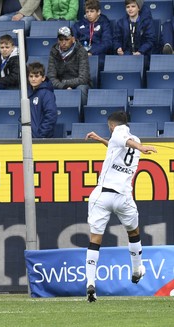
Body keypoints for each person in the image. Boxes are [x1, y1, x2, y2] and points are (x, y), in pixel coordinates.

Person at [83, 111, 157, 302]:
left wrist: (141, 147)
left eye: (108, 128)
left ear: (112, 126)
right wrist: (101, 140)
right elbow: (119, 146)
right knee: (133, 232)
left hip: (102, 195)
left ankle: (90, 283)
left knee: (95, 239)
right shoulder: (130, 138)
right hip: (124, 197)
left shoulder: (120, 133)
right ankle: (136, 269)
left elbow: (123, 141)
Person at [47, 26, 90, 106]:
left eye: (67, 39)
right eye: (61, 40)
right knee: (45, 87)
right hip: (60, 85)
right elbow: (51, 77)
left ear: (73, 39)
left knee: (82, 89)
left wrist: (66, 83)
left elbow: (83, 78)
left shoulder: (81, 51)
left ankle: (82, 117)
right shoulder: (54, 51)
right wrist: (63, 86)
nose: (63, 42)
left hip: (77, 84)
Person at [112, 0, 156, 66]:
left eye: (133, 6)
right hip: (126, 54)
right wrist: (118, 47)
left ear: (139, 8)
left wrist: (140, 51)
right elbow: (116, 39)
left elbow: (150, 40)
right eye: (128, 7)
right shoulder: (120, 22)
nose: (130, 9)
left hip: (143, 54)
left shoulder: (147, 22)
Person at [72, 0, 112, 68]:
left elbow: (107, 42)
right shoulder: (79, 24)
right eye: (87, 12)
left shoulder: (105, 23)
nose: (89, 14)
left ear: (98, 12)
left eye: (92, 11)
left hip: (97, 53)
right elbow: (72, 40)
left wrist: (92, 52)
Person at [0, 34, 20, 107]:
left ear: (13, 47)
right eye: (2, 47)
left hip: (16, 83)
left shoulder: (17, 58)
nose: (4, 49)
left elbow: (14, 77)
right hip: (4, 80)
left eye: (7, 47)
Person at [27, 62, 57, 138]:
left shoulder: (47, 94)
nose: (33, 79)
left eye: (37, 76)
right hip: (28, 138)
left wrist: (41, 135)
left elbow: (51, 115)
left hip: (41, 140)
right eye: (31, 76)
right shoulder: (26, 94)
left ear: (43, 78)